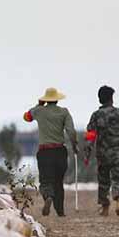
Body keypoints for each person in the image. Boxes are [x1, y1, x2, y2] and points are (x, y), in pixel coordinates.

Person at [84, 85, 119, 216]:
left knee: (103, 181)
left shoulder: (96, 115)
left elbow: (90, 136)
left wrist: (87, 153)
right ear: (112, 99)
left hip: (103, 155)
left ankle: (105, 207)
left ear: (99, 99)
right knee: (118, 179)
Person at [23, 87, 78, 216]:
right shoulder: (64, 112)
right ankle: (60, 211)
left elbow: (27, 117)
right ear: (57, 100)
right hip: (60, 151)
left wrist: (38, 104)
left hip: (45, 152)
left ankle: (48, 196)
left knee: (46, 180)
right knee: (58, 182)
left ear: (46, 100)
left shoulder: (39, 111)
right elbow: (71, 131)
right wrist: (74, 145)